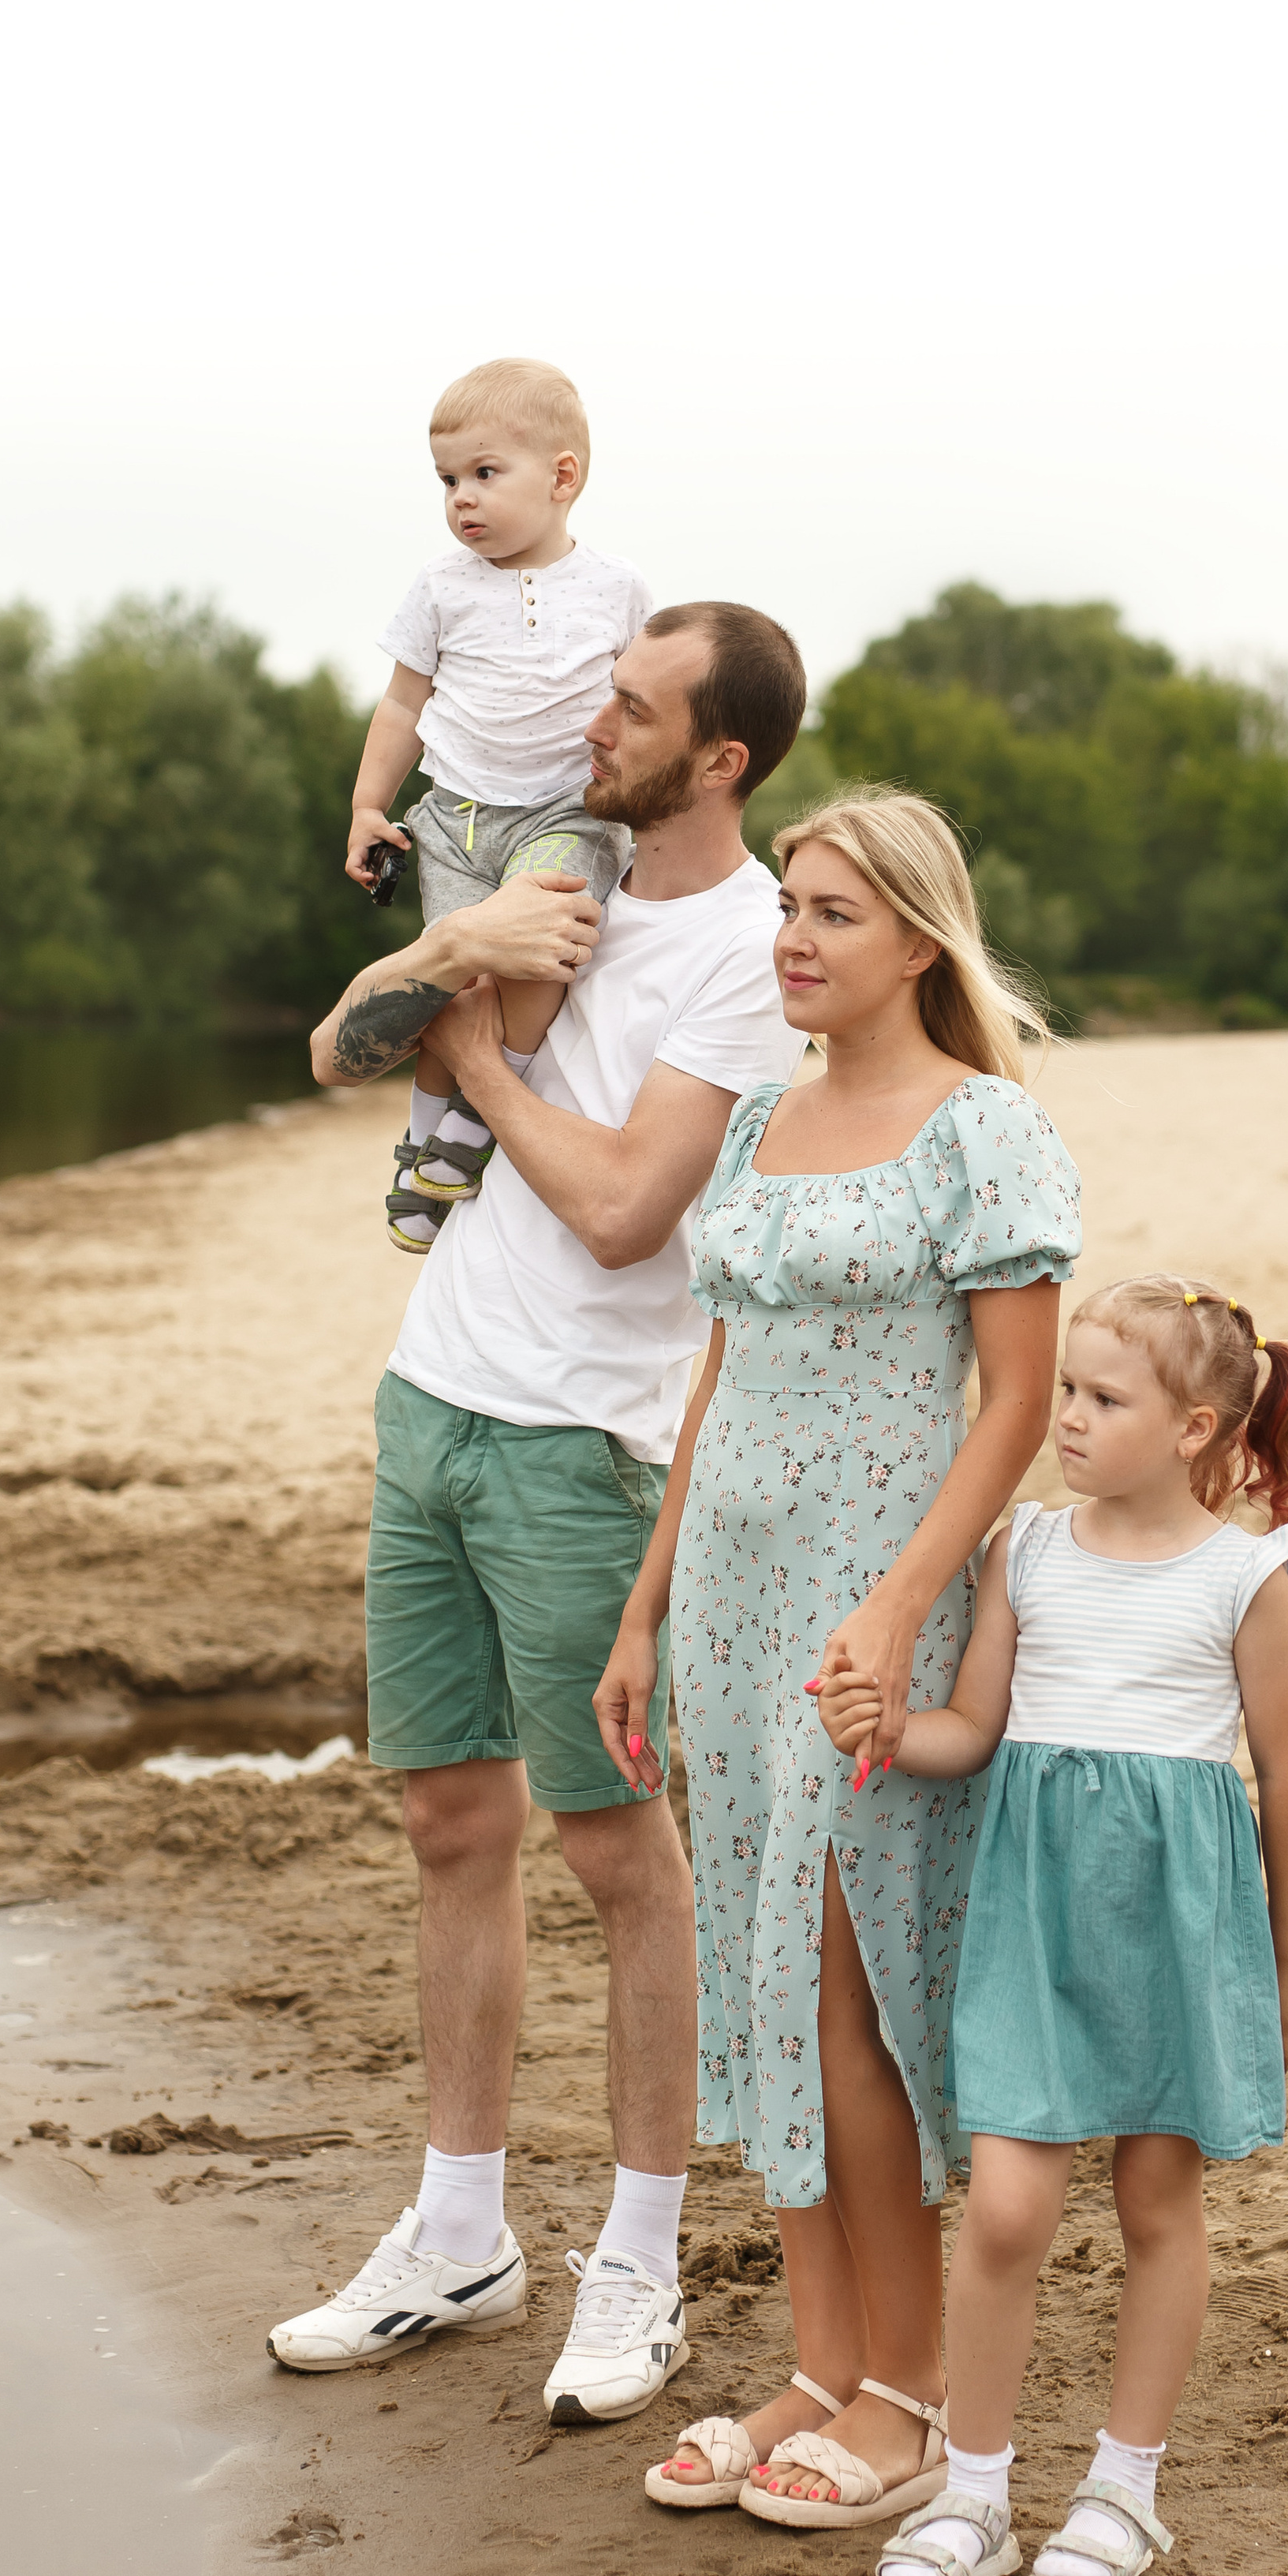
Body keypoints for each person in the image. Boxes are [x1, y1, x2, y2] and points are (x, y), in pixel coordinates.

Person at [267, 602, 808, 2425]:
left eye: (634, 704)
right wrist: (453, 943)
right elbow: (351, 1055)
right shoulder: (541, 880)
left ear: (717, 755)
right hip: (431, 1400)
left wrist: (486, 1053)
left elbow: (622, 1206)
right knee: (445, 1822)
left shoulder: (743, 950)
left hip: (587, 1444)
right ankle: (457, 2232)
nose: (593, 718)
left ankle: (640, 2260)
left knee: (610, 1854)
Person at [592, 788, 1080, 2529]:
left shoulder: (983, 1136)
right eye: (786, 905)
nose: (792, 937)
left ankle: (913, 2391)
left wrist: (890, 1605)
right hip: (723, 1595)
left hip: (872, 1605)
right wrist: (645, 1609)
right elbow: (710, 1384)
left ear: (919, 943)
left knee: (840, 1981)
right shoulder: (758, 1125)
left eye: (833, 914)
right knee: (757, 1976)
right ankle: (816, 2357)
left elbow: (1014, 1407)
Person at [813, 1275, 1288, 2576]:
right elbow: (971, 1733)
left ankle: (1122, 2487)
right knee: (1005, 2211)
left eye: (1104, 1399)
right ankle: (974, 2496)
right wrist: (886, 1728)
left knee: (1160, 2206)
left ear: (1195, 1427)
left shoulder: (1244, 1579)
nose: (1066, 1419)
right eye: (1065, 1391)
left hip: (1176, 1927)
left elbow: (1286, 1782)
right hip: (1033, 1922)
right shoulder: (1029, 1552)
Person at [346, 356, 652, 1252]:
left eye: (485, 474)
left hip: (565, 812)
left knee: (532, 959)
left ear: (562, 478)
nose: (461, 500)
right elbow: (403, 704)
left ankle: (479, 1115)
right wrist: (370, 804)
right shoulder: (441, 587)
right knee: (456, 975)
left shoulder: (617, 588)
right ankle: (424, 1132)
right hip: (454, 822)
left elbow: (643, 709)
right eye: (447, 480)